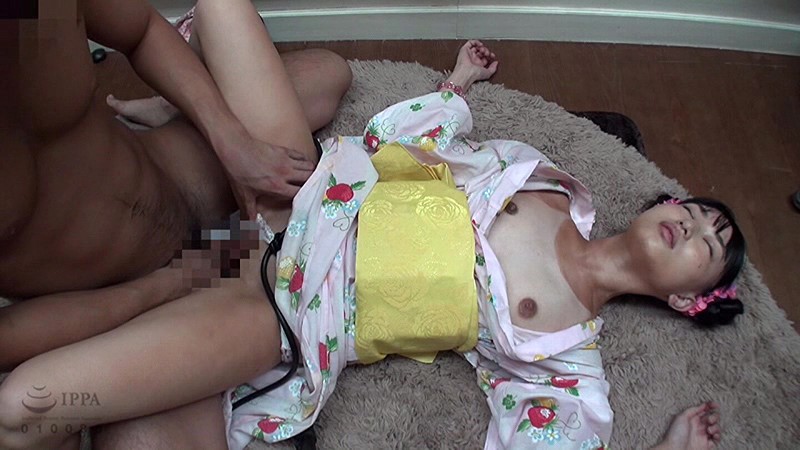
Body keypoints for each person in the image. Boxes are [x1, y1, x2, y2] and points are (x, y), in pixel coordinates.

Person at [0, 6, 740, 450]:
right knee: (227, 9)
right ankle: (173, 118)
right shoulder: (544, 181)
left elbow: (556, 440)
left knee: (27, 405)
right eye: (698, 211)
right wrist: (454, 90)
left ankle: (162, 266)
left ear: (687, 299)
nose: (698, 225)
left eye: (712, 244)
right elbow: (417, 152)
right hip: (301, 193)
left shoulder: (565, 357)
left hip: (281, 304)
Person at [0, 0, 351, 370]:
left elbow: (141, 30)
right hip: (109, 304)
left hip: (172, 177)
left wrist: (231, 141)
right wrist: (170, 284)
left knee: (326, 75)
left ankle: (169, 108)